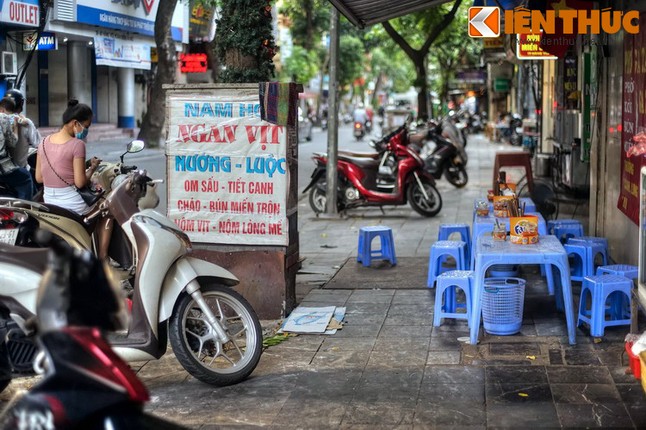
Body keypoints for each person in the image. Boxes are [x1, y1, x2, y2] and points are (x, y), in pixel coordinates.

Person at [35, 99, 101, 214]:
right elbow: (80, 183)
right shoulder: (77, 145)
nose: (86, 130)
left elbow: (39, 178)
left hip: (49, 201)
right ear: (75, 123)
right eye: (86, 126)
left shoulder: (43, 142)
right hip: (72, 204)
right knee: (104, 207)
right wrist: (93, 168)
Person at [0, 98, 34, 200]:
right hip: (3, 167)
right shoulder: (4, 118)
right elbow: (12, 142)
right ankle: (24, 211)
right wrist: (15, 128)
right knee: (26, 178)